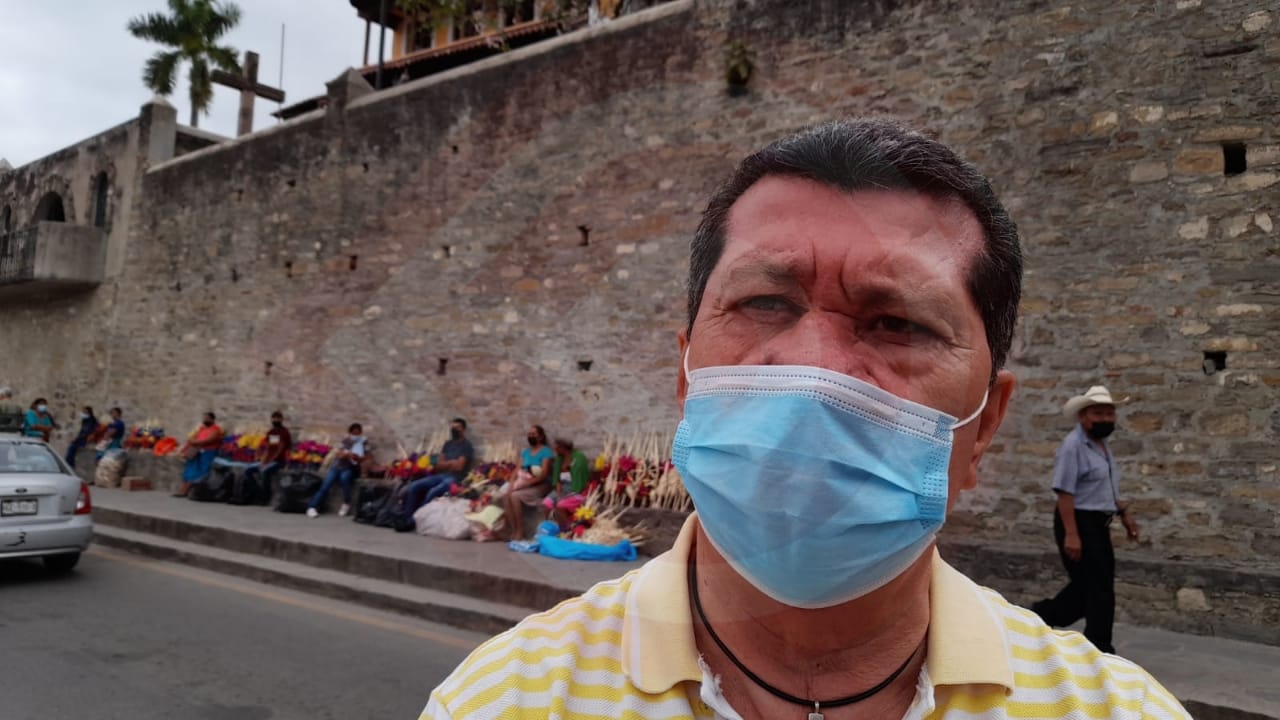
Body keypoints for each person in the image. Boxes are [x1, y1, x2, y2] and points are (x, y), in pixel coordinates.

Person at [423, 120, 1187, 719]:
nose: (816, 375)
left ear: (985, 424)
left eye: (897, 323)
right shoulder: (499, 702)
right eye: (764, 303)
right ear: (686, 378)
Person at [1031, 385, 1140, 655]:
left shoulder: (1102, 446)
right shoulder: (1073, 446)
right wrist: (1072, 534)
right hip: (1078, 521)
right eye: (1098, 413)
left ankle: (1039, 617)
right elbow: (1065, 493)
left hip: (1099, 523)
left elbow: (1105, 488)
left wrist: (1125, 515)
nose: (1105, 419)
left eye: (1109, 414)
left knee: (1088, 587)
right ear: (1083, 416)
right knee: (1099, 587)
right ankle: (1100, 647)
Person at [401, 418, 476, 522]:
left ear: (463, 430)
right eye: (453, 427)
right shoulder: (447, 444)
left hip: (455, 479)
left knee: (433, 492)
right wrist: (451, 463)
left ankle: (417, 520)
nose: (454, 430)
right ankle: (407, 519)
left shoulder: (466, 446)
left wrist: (446, 464)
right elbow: (437, 465)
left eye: (457, 427)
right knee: (413, 486)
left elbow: (459, 467)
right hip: (441, 475)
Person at [501, 424, 553, 540]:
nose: (531, 436)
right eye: (529, 434)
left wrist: (527, 483)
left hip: (540, 484)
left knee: (515, 496)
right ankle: (513, 529)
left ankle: (520, 530)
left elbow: (544, 474)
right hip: (523, 482)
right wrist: (511, 484)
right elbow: (517, 469)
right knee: (506, 495)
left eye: (534, 434)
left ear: (540, 436)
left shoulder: (546, 452)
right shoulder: (526, 452)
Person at [307, 423, 366, 518]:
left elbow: (363, 458)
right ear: (350, 433)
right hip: (336, 467)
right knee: (325, 485)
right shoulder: (345, 441)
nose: (355, 435)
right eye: (354, 433)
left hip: (349, 468)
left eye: (357, 433)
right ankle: (312, 507)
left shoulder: (362, 443)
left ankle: (346, 502)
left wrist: (355, 457)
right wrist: (347, 455)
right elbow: (339, 454)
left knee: (344, 479)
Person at [243, 411, 292, 500]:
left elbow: (279, 448)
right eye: (274, 418)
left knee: (265, 472)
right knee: (247, 470)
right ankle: (257, 492)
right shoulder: (272, 432)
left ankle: (265, 496)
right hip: (268, 460)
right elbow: (268, 446)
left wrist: (267, 461)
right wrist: (260, 456)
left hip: (279, 461)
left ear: (281, 419)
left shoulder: (284, 432)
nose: (275, 420)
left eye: (277, 418)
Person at [174, 412, 224, 498]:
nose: (205, 420)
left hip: (208, 453)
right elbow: (192, 438)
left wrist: (194, 442)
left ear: (212, 419)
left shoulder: (215, 430)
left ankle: (191, 491)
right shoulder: (202, 429)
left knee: (202, 472)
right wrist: (189, 444)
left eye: (207, 418)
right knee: (190, 470)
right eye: (204, 418)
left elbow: (208, 440)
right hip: (196, 452)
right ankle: (183, 490)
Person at [543, 437, 590, 528]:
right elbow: (557, 480)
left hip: (577, 489)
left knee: (560, 505)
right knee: (546, 503)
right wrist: (559, 493)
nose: (555, 449)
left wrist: (562, 497)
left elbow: (580, 482)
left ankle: (567, 529)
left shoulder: (579, 457)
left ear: (563, 447)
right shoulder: (559, 459)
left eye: (557, 447)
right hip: (563, 488)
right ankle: (549, 527)